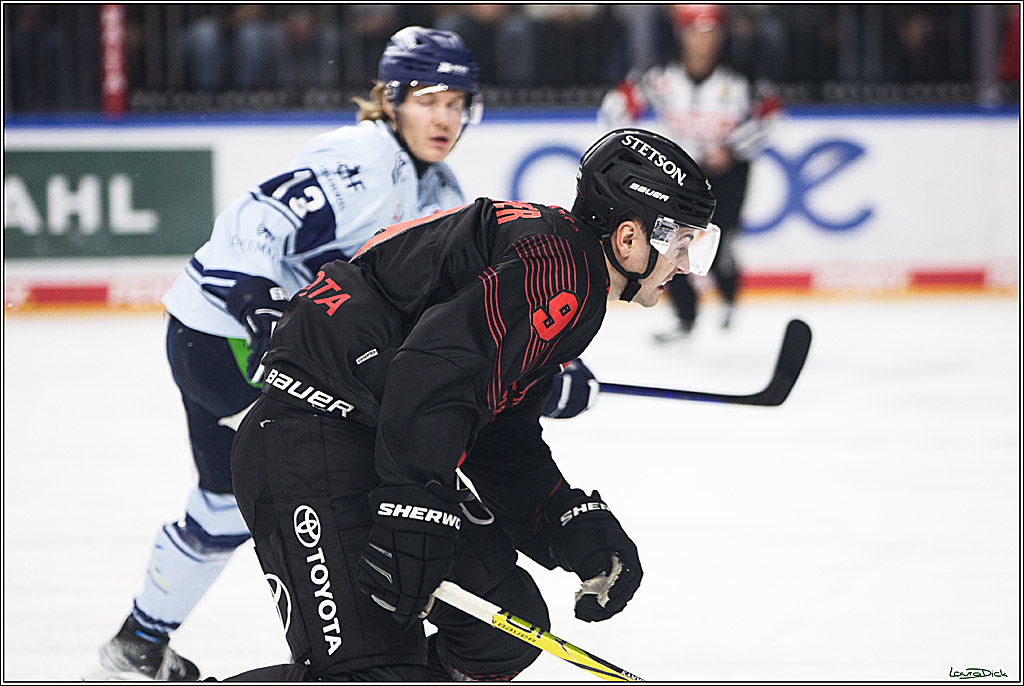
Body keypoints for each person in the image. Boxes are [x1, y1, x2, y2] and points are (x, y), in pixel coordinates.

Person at [91, 25, 596, 681]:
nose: (444, 118)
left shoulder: (442, 190)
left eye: (456, 103)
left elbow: (454, 328)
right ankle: (369, 646)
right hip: (227, 342)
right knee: (332, 472)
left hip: (264, 346)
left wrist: (538, 363)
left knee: (223, 501)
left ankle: (137, 645)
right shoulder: (361, 160)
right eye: (428, 100)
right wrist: (261, 303)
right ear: (391, 99)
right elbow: (255, 223)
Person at [226, 127, 720, 681]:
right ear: (629, 238)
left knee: (502, 631)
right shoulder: (562, 275)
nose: (685, 265)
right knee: (372, 675)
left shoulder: (560, 262)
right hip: (309, 444)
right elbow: (428, 373)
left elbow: (495, 429)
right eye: (682, 246)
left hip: (364, 440)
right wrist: (413, 504)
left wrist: (561, 519)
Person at [600, 3, 781, 342]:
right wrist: (636, 150)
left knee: (723, 240)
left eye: (711, 31)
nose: (704, 40)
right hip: (679, 173)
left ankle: (728, 300)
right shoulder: (659, 74)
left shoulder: (742, 78)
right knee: (670, 241)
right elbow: (616, 107)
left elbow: (771, 116)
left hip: (729, 173)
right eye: (696, 30)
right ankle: (685, 317)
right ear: (681, 33)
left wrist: (733, 148)